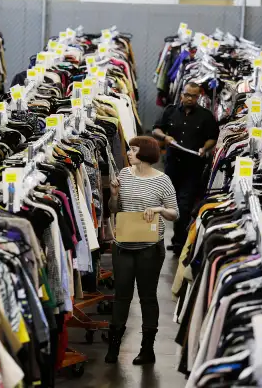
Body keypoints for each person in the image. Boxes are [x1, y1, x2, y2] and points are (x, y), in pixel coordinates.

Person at [106, 136, 179, 365]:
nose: (128, 153)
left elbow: (174, 213)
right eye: (129, 149)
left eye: (133, 150)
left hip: (149, 247)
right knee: (121, 296)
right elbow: (113, 209)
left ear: (145, 153)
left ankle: (147, 349)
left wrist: (157, 209)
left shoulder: (162, 180)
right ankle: (114, 346)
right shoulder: (124, 174)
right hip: (123, 245)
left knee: (147, 297)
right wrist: (115, 194)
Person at [152, 82, 219, 257]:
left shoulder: (205, 116)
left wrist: (205, 148)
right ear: (182, 94)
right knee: (168, 202)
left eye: (194, 96)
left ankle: (179, 242)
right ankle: (165, 239)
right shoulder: (170, 111)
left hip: (193, 167)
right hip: (173, 164)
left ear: (198, 97)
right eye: (187, 94)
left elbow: (213, 137)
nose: (190, 98)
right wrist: (165, 137)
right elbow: (156, 130)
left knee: (184, 204)